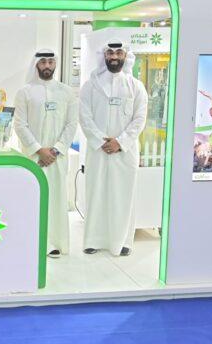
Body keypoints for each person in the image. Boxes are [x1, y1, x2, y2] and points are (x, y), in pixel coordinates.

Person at [79, 39, 147, 257]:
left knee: (123, 195)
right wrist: (101, 141)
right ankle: (93, 239)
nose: (114, 57)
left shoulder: (136, 87)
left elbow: (139, 119)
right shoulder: (90, 86)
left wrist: (120, 142)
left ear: (126, 56)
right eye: (110, 53)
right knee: (96, 193)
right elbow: (84, 117)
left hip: (125, 152)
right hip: (98, 151)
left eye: (119, 53)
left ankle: (123, 241)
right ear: (104, 56)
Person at [14, 49, 78, 258]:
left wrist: (56, 149)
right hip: (34, 158)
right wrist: (39, 150)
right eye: (43, 62)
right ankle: (35, 242)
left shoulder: (66, 92)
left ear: (55, 64)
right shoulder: (25, 92)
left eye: (51, 62)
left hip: (57, 158)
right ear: (36, 65)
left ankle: (57, 242)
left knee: (57, 199)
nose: (47, 66)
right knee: (35, 198)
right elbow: (20, 125)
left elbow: (72, 123)